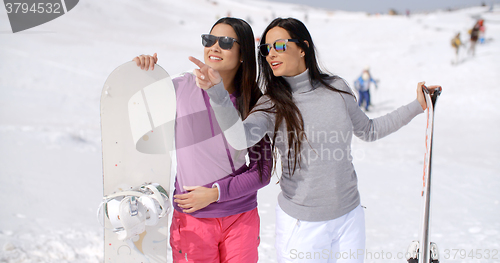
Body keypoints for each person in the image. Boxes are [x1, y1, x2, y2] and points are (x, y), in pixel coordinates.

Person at [189, 17, 441, 263]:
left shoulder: (337, 88)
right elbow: (239, 138)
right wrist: (217, 94)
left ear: (303, 48)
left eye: (279, 46)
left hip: (349, 218)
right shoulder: (271, 104)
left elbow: (369, 129)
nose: (271, 55)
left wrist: (417, 106)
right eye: (266, 49)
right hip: (301, 227)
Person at [133, 17, 273, 263]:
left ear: (243, 54)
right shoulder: (181, 87)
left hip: (241, 217)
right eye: (209, 40)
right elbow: (139, 107)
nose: (214, 47)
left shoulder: (253, 101)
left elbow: (262, 171)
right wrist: (146, 74)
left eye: (226, 42)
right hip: (193, 219)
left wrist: (215, 194)